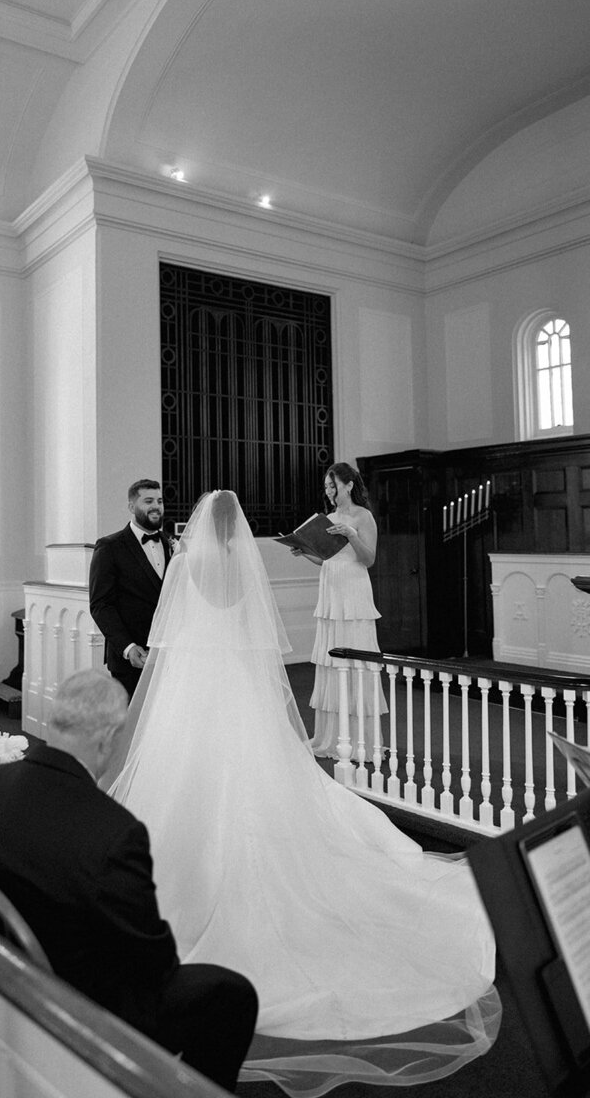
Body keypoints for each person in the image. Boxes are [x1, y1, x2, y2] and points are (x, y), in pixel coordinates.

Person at [104, 490, 501, 1097]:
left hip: (192, 694)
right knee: (257, 784)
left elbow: (166, 646)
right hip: (240, 690)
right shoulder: (244, 566)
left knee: (181, 785)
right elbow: (262, 646)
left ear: (199, 530)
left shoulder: (186, 565)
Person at [0, 668, 258, 1094]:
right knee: (232, 994)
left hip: (4, 969)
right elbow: (154, 964)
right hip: (78, 1003)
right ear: (106, 739)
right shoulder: (113, 832)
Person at [294, 462, 388, 758]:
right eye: (326, 487)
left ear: (348, 485)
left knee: (355, 661)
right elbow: (327, 560)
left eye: (333, 485)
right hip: (331, 591)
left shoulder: (364, 517)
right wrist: (304, 551)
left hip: (355, 592)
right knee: (332, 662)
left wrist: (351, 534)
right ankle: (331, 737)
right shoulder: (328, 518)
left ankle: (363, 740)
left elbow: (368, 558)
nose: (330, 491)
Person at [89, 479, 173, 698]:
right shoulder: (110, 547)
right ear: (131, 507)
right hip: (131, 662)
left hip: (168, 657)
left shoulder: (172, 545)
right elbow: (101, 605)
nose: (156, 506)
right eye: (148, 501)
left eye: (160, 501)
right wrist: (128, 647)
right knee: (131, 728)